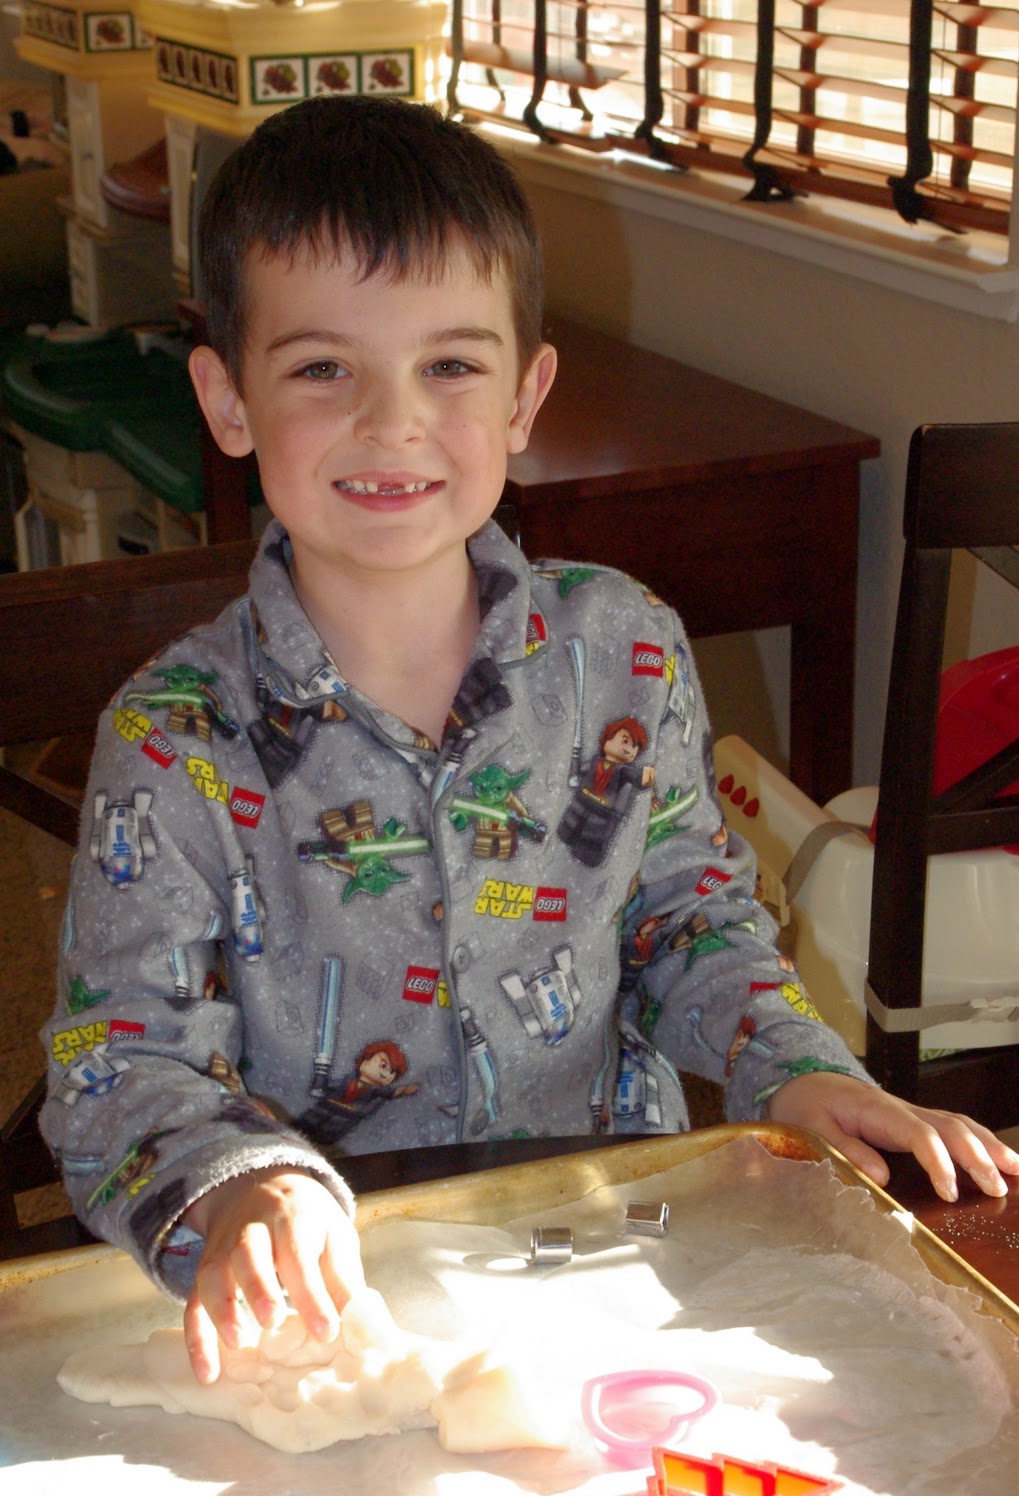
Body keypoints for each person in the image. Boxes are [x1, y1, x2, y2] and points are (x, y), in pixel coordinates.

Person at [41, 94, 1019, 1387]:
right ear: (227, 399)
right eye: (323, 368)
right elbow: (119, 1060)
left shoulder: (630, 650)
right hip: (331, 1320)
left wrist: (797, 1073)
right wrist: (236, 1188)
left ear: (525, 393)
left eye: (449, 365)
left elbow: (689, 921)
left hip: (617, 1272)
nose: (392, 421)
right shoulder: (171, 739)